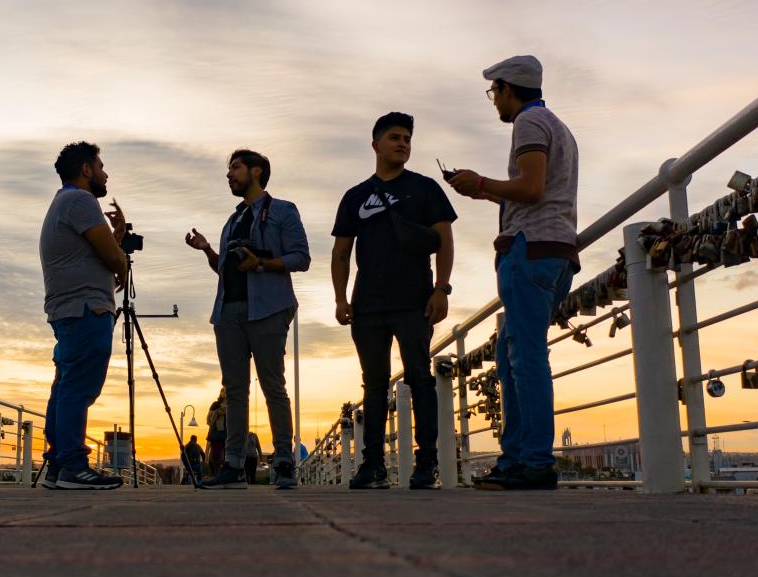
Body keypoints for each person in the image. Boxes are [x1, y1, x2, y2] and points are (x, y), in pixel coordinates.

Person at [447, 56, 580, 491]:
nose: (493, 101)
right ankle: (516, 457)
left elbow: (531, 187)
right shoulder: (557, 126)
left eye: (494, 92)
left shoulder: (528, 124)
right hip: (553, 251)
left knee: (525, 358)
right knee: (509, 357)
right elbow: (536, 191)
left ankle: (536, 462)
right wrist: (482, 190)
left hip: (532, 251)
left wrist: (482, 184)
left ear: (508, 88)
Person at [332, 112, 457, 490]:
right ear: (375, 145)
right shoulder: (355, 196)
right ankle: (373, 465)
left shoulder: (425, 188)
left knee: (420, 377)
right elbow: (341, 253)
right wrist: (340, 299)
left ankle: (427, 463)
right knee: (373, 384)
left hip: (414, 301)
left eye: (407, 138)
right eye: (394, 138)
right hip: (368, 303)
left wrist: (442, 288)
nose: (403, 143)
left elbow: (445, 240)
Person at [186, 149, 311, 490]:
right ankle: (232, 466)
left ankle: (284, 461)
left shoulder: (283, 210)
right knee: (235, 390)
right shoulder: (232, 220)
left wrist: (260, 264)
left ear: (257, 171)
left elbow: (302, 257)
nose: (229, 175)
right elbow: (226, 271)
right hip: (228, 312)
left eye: (235, 168)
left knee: (273, 386)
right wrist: (209, 250)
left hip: (268, 308)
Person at [38, 141, 128, 491]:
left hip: (68, 309)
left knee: (66, 385)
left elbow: (99, 251)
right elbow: (114, 259)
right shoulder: (80, 201)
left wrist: (115, 238)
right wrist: (119, 259)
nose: (105, 173)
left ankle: (59, 465)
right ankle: (74, 466)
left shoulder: (62, 203)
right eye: (101, 166)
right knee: (79, 387)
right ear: (87, 169)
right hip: (86, 308)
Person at [205, 392, 227, 475]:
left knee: (228, 456)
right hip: (217, 433)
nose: (225, 393)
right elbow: (209, 419)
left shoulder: (232, 405)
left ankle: (225, 475)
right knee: (216, 455)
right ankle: (216, 474)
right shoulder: (215, 404)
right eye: (223, 391)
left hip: (228, 433)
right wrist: (217, 412)